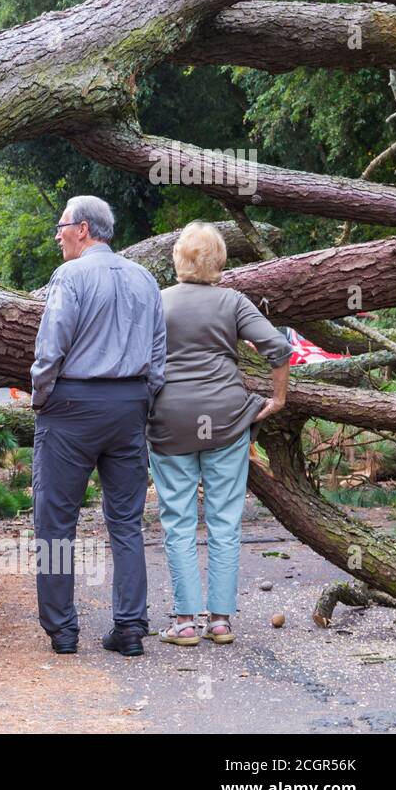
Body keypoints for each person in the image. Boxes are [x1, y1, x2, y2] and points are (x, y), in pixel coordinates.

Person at [31, 196, 166, 657]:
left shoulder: (70, 276)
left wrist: (41, 395)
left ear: (84, 229)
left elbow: (51, 345)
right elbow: (159, 354)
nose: (57, 234)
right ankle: (129, 627)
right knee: (126, 522)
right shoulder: (145, 278)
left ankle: (62, 631)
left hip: (72, 405)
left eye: (62, 226)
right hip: (129, 405)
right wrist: (142, 400)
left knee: (55, 522)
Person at [147, 221, 291, 646]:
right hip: (227, 421)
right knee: (225, 521)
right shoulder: (234, 301)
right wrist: (278, 398)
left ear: (178, 259)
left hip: (170, 422)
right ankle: (223, 621)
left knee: (178, 521)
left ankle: (186, 622)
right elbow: (279, 350)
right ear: (219, 261)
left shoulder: (158, 302)